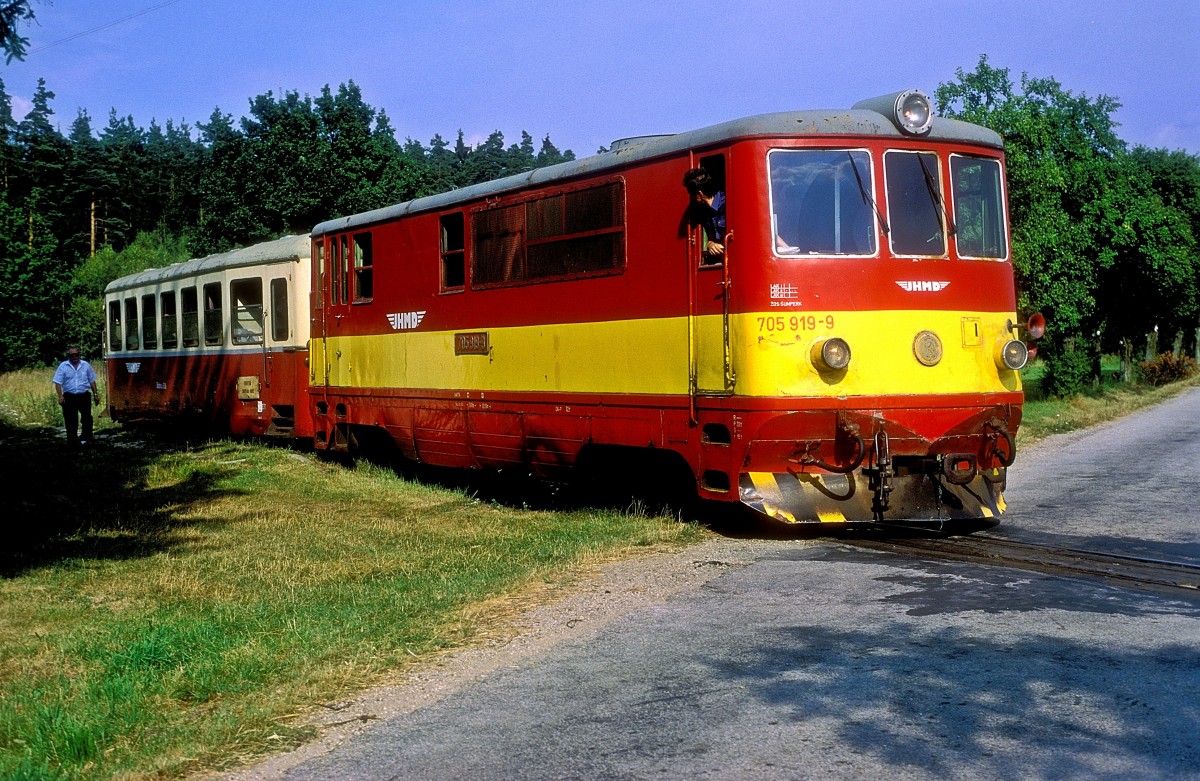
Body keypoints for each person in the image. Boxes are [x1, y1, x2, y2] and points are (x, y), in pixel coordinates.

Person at [52, 347, 100, 447]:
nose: (74, 357)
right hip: (69, 396)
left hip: (84, 396)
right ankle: (72, 441)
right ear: (68, 355)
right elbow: (58, 382)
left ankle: (86, 439)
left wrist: (96, 394)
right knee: (71, 419)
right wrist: (60, 396)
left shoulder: (86, 365)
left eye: (76, 354)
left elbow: (92, 381)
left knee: (87, 418)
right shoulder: (63, 366)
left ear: (79, 354)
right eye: (71, 355)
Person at [682, 167, 726, 261]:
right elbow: (711, 239)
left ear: (700, 194)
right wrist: (710, 244)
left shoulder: (726, 204)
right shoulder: (704, 212)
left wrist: (723, 246)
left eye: (691, 194)